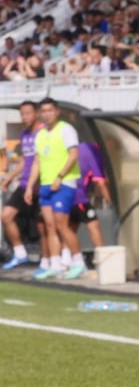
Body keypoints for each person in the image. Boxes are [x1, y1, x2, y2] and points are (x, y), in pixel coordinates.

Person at [25, 98, 85, 280]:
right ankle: (55, 264)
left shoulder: (66, 129)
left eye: (50, 110)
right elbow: (37, 162)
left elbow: (73, 154)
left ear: (57, 111)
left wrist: (60, 176)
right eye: (44, 111)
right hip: (46, 184)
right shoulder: (40, 134)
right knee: (49, 226)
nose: (47, 114)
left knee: (62, 225)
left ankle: (78, 261)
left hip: (64, 182)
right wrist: (29, 187)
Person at [0, 101, 44, 271]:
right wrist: (10, 178)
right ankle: (20, 254)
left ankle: (54, 259)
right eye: (22, 114)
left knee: (44, 224)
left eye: (28, 113)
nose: (25, 117)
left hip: (40, 185)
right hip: (25, 183)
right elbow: (24, 161)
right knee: (6, 216)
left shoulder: (43, 132)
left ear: (36, 113)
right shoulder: (25, 134)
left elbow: (40, 161)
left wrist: (33, 184)